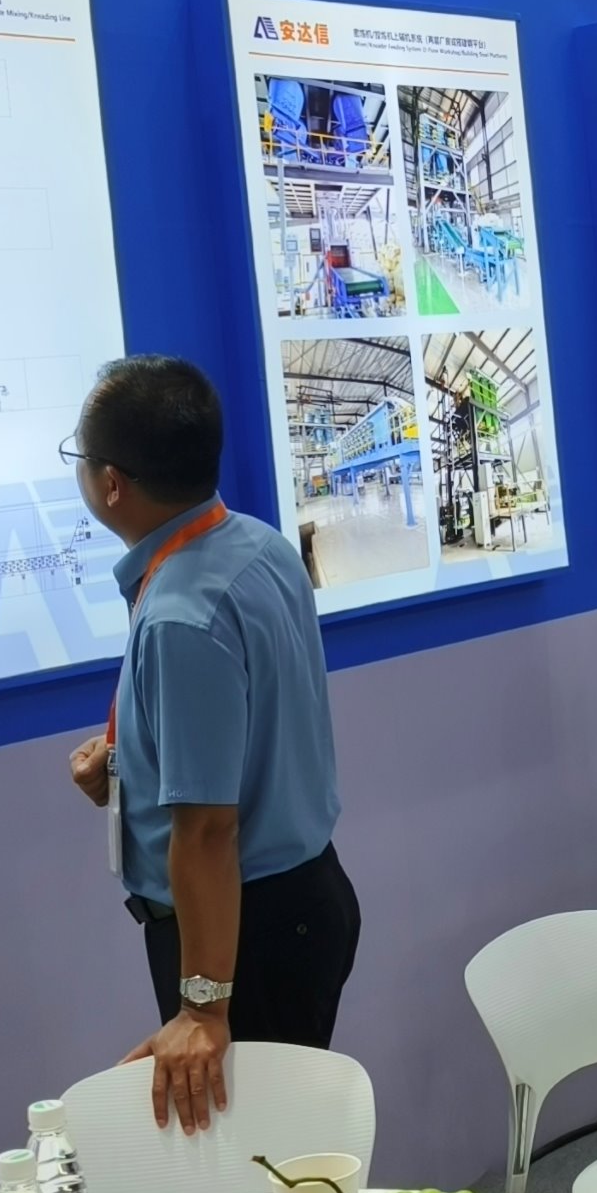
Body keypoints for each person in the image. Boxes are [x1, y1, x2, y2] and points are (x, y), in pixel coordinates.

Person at [63, 355, 356, 1137]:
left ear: (112, 483)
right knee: (275, 1149)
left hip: (244, 936)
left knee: (259, 1162)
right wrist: (129, 761)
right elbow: (248, 728)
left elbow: (206, 829)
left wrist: (203, 1006)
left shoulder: (181, 616)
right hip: (292, 906)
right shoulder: (256, 545)